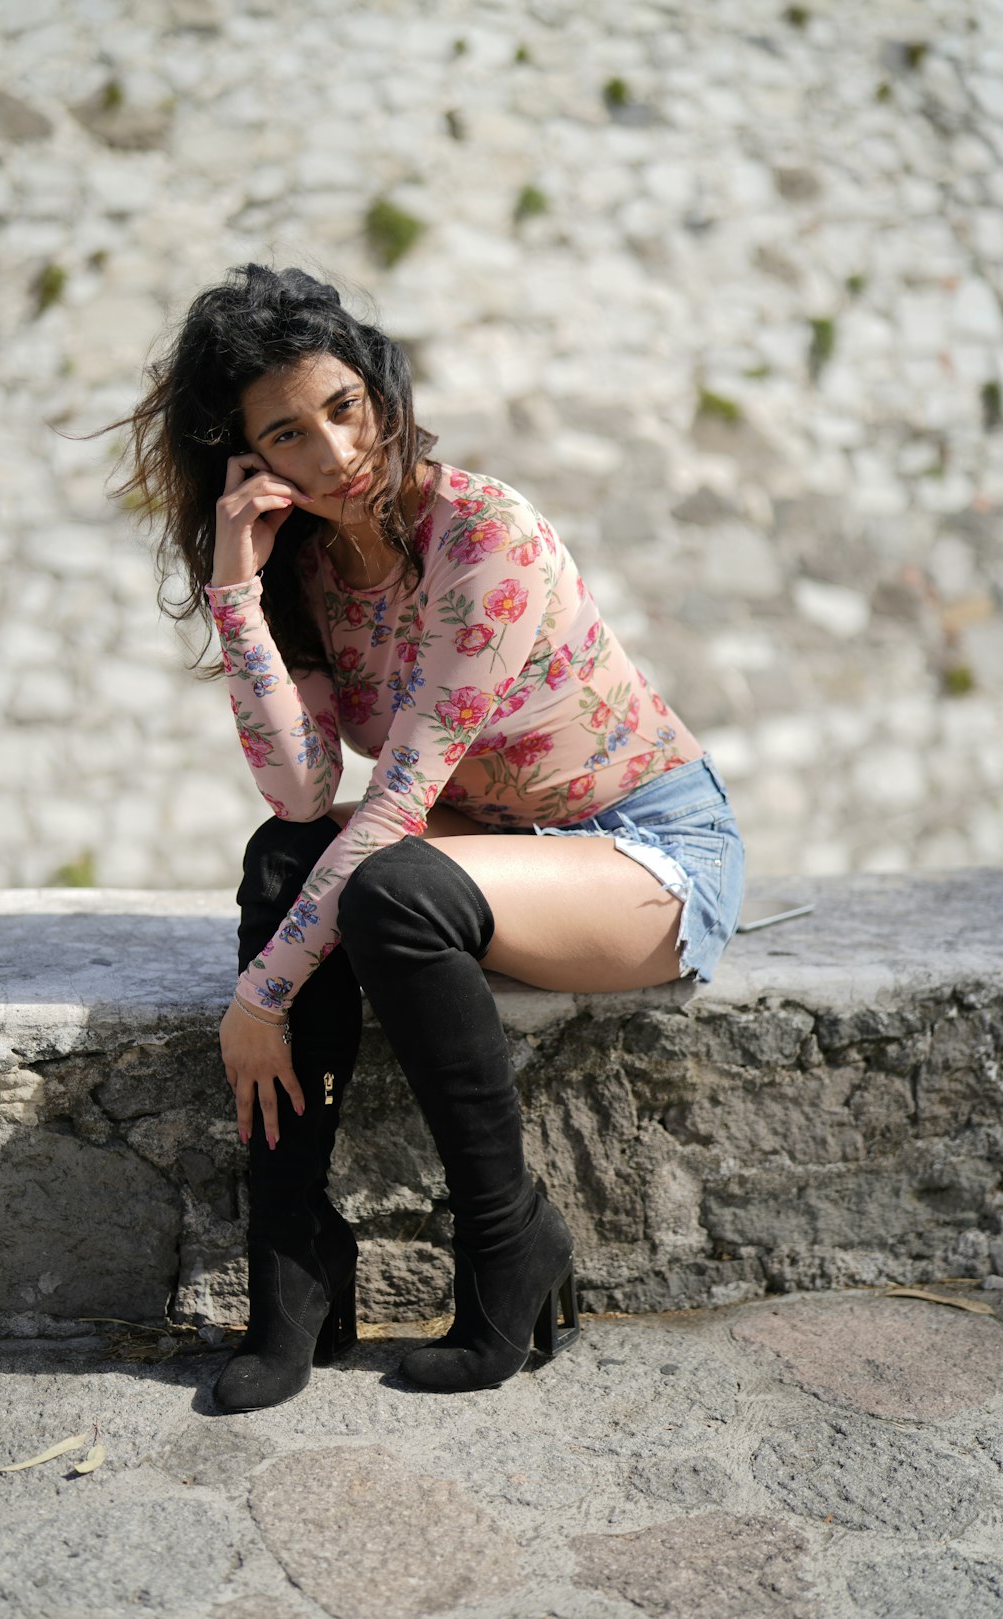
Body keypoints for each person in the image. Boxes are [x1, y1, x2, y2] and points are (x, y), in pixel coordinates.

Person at [120, 263, 745, 1411]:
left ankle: (508, 1241)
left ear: (380, 384)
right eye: (289, 435)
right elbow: (305, 788)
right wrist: (238, 594)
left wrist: (260, 996)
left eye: (344, 407)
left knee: (389, 888)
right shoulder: (302, 563)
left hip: (642, 853)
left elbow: (399, 806)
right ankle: (297, 1261)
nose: (334, 453)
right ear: (248, 461)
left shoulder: (481, 536)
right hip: (483, 848)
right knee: (282, 856)